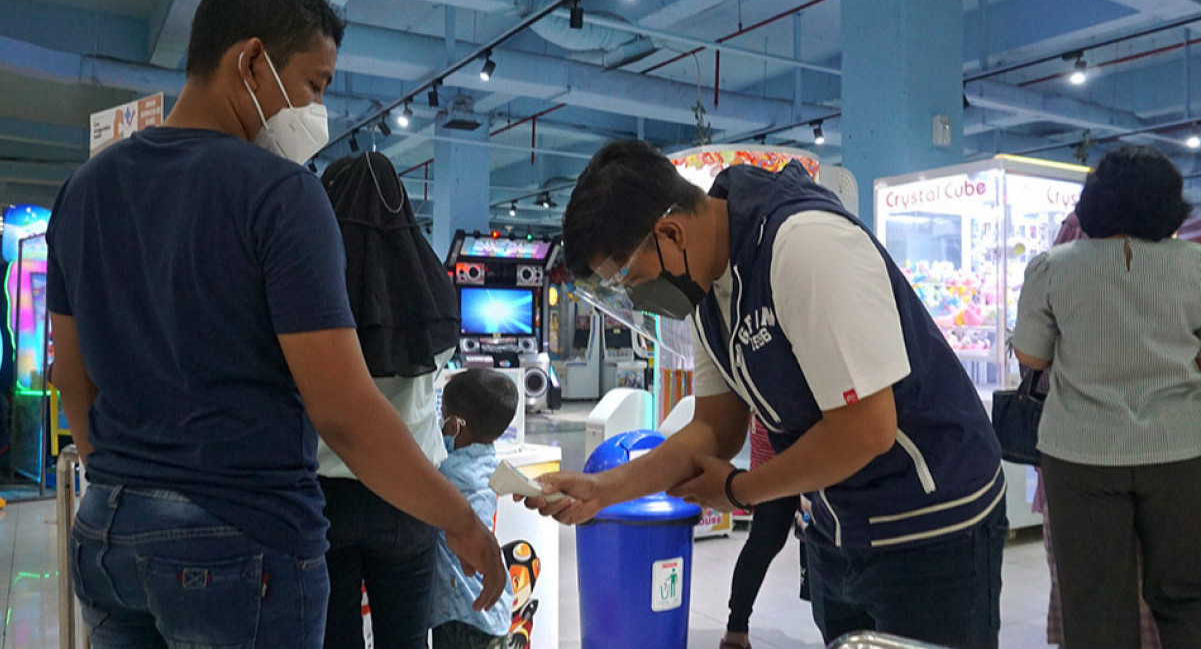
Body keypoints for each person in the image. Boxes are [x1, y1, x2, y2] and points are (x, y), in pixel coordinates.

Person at [47, 0, 504, 648]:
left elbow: (71, 377)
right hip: (238, 537)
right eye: (314, 85)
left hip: (108, 531)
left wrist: (126, 485)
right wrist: (461, 520)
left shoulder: (84, 189)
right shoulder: (282, 195)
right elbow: (343, 411)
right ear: (252, 61)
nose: (317, 111)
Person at [529, 140, 1007, 648]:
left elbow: (866, 430)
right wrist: (606, 490)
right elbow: (716, 426)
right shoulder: (706, 286)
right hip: (839, 527)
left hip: (933, 527)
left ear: (669, 233)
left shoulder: (803, 244)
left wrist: (740, 490)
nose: (635, 297)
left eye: (631, 279)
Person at [1013, 145, 1201, 649]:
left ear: (1092, 202)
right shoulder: (1196, 264)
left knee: (1095, 600)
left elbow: (1030, 357)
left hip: (1081, 453)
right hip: (1182, 448)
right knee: (1187, 596)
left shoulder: (1053, 266)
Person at [315, 151, 462, 648]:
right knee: (405, 640)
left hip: (322, 494)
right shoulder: (431, 289)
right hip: (409, 489)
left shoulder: (309, 284)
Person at [429, 369, 519, 649]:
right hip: (488, 611)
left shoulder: (452, 474)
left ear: (456, 424)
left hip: (464, 613)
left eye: (442, 414)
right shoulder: (486, 462)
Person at [721, 419, 800, 649]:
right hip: (783, 447)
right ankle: (736, 627)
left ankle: (736, 629)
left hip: (798, 445)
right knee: (766, 541)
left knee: (766, 541)